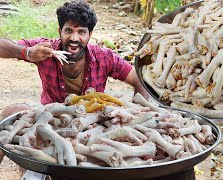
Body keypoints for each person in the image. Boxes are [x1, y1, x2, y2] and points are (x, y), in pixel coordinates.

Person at [0, 0, 148, 165]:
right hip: (50, 119)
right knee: (11, 114)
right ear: (60, 31)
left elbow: (138, 80)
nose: (74, 38)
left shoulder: (104, 57)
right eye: (68, 30)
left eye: (81, 32)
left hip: (91, 125)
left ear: (90, 34)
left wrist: (140, 115)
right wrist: (27, 52)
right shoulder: (46, 50)